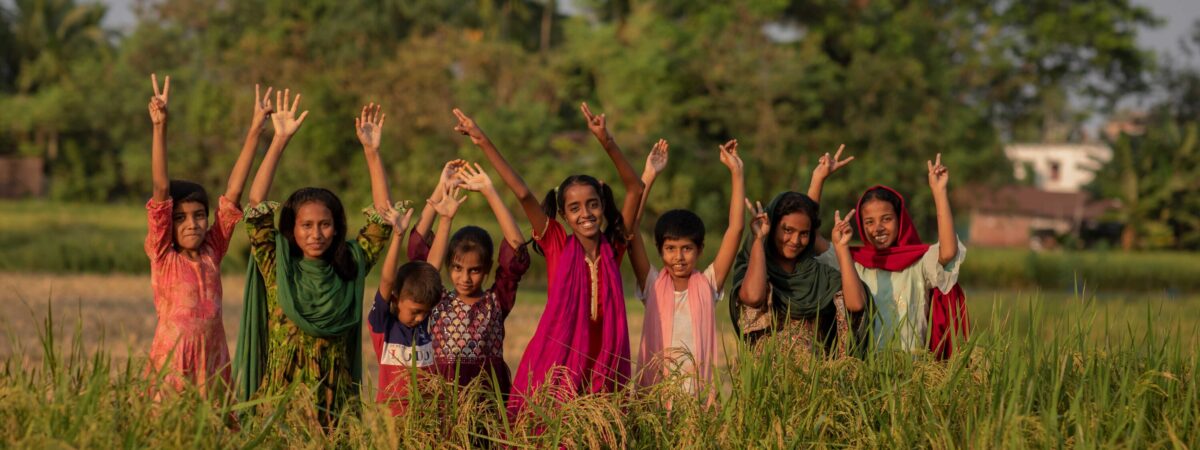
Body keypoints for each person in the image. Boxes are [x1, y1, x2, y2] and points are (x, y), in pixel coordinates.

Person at [449, 105, 643, 416]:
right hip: (559, 362)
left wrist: (606, 141)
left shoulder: (614, 247)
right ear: (564, 215)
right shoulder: (555, 244)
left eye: (593, 204)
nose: (586, 213)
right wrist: (482, 139)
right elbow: (524, 193)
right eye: (576, 208)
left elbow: (636, 188)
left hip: (602, 364)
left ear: (603, 207)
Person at [233, 101, 398, 424]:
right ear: (292, 230)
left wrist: (372, 152)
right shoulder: (276, 266)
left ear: (336, 227)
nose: (316, 233)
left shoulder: (350, 265)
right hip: (281, 406)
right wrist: (279, 140)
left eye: (324, 224)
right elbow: (256, 205)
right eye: (306, 226)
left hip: (334, 408)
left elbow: (383, 218)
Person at [143, 74, 267, 397]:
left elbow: (234, 194)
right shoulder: (163, 256)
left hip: (211, 362)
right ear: (167, 224)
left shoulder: (213, 249)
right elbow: (159, 190)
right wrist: (160, 128)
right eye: (180, 218)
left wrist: (255, 130)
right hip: (174, 361)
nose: (192, 224)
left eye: (199, 216)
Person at [627, 138, 744, 401]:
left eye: (687, 249)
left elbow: (735, 230)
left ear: (700, 249)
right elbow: (631, 231)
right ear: (659, 249)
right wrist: (649, 174)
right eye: (670, 248)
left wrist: (737, 173)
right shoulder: (653, 284)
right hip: (655, 398)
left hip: (697, 400)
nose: (678, 257)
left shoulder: (709, 283)